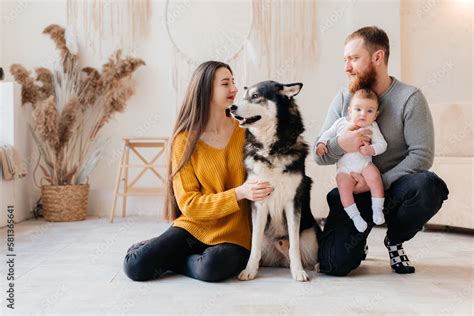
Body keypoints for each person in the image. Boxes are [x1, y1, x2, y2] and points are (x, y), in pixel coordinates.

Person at [313, 26, 449, 276]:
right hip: (354, 192)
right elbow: (318, 154)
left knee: (429, 186)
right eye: (345, 60)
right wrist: (340, 145)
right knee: (334, 265)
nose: (346, 67)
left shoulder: (409, 98)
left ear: (378, 57)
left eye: (353, 59)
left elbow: (422, 155)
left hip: (395, 190)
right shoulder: (344, 98)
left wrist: (376, 182)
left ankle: (395, 240)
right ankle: (358, 240)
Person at [123, 61, 273, 282]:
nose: (234, 89)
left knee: (212, 268)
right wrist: (238, 193)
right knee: (135, 265)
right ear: (206, 89)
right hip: (194, 225)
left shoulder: (246, 130)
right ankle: (166, 252)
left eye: (234, 82)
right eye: (225, 83)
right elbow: (189, 204)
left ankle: (172, 259)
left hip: (235, 234)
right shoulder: (184, 140)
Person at [316, 88, 387, 233]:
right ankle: (355, 217)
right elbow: (327, 134)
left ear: (376, 114)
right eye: (358, 109)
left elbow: (382, 144)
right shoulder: (341, 123)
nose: (363, 114)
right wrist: (322, 143)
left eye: (369, 111)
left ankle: (377, 209)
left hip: (364, 163)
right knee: (343, 188)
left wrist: (372, 149)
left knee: (375, 177)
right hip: (345, 170)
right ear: (350, 111)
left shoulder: (373, 127)